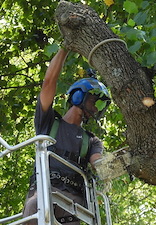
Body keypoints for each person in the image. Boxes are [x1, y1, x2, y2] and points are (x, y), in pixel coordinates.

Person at [23, 48, 111, 225]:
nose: (96, 108)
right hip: (43, 193)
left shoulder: (91, 140)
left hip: (72, 203)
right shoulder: (48, 123)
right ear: (78, 96)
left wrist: (122, 164)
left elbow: (99, 163)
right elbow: (49, 82)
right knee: (35, 207)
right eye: (94, 101)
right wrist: (65, 48)